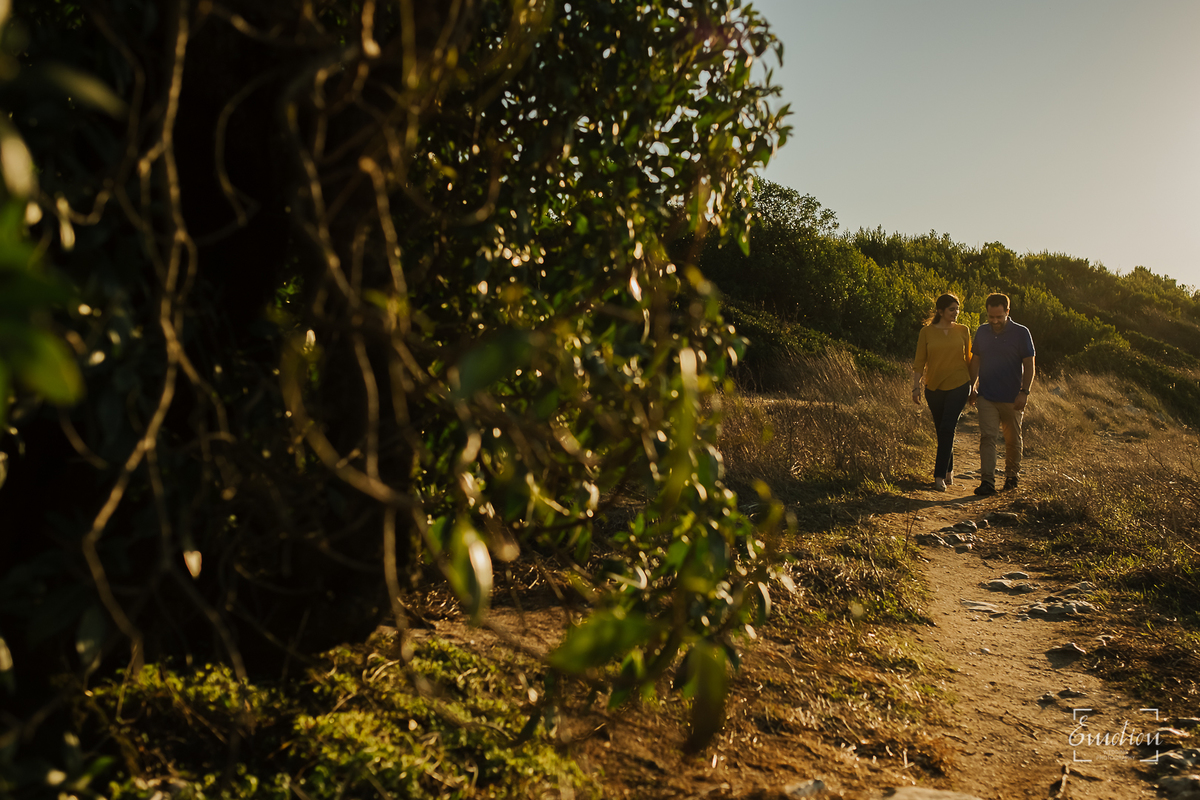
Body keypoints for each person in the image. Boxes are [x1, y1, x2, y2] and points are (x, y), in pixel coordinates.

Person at [969, 293, 1035, 496]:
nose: (995, 321)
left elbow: (1029, 364)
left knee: (1012, 440)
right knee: (987, 437)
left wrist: (1024, 392)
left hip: (1012, 397)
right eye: (991, 317)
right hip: (986, 395)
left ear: (1008, 312)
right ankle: (987, 482)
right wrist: (972, 387)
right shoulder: (982, 332)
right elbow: (976, 360)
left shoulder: (1021, 333)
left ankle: (1011, 478)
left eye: (999, 317)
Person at [911, 293, 973, 492]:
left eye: (957, 309)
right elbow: (919, 361)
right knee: (942, 431)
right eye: (952, 309)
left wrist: (974, 385)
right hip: (934, 387)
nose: (956, 313)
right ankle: (949, 470)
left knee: (947, 427)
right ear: (940, 311)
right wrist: (916, 386)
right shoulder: (926, 332)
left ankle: (939, 476)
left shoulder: (964, 330)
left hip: (959, 383)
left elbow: (970, 359)